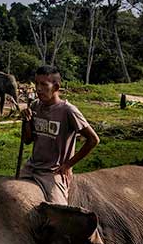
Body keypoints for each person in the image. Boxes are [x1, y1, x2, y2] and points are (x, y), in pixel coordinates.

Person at [18, 65, 99, 205]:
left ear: (56, 87)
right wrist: (27, 121)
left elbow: (93, 139)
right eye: (36, 83)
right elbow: (27, 140)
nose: (38, 89)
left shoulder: (68, 111)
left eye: (44, 84)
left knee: (58, 211)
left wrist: (68, 164)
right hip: (31, 167)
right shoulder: (35, 106)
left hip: (53, 172)